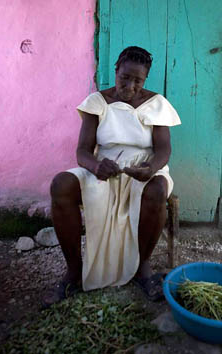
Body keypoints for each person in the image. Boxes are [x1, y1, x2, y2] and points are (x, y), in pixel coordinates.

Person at [44, 46, 181, 306]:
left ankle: (143, 269)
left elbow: (164, 149)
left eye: (137, 81)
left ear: (145, 79)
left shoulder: (156, 104)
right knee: (60, 185)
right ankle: (74, 272)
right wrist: (96, 166)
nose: (130, 86)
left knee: (158, 189)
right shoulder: (98, 102)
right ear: (115, 71)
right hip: (104, 168)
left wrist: (151, 168)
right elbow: (83, 151)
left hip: (143, 168)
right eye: (124, 78)